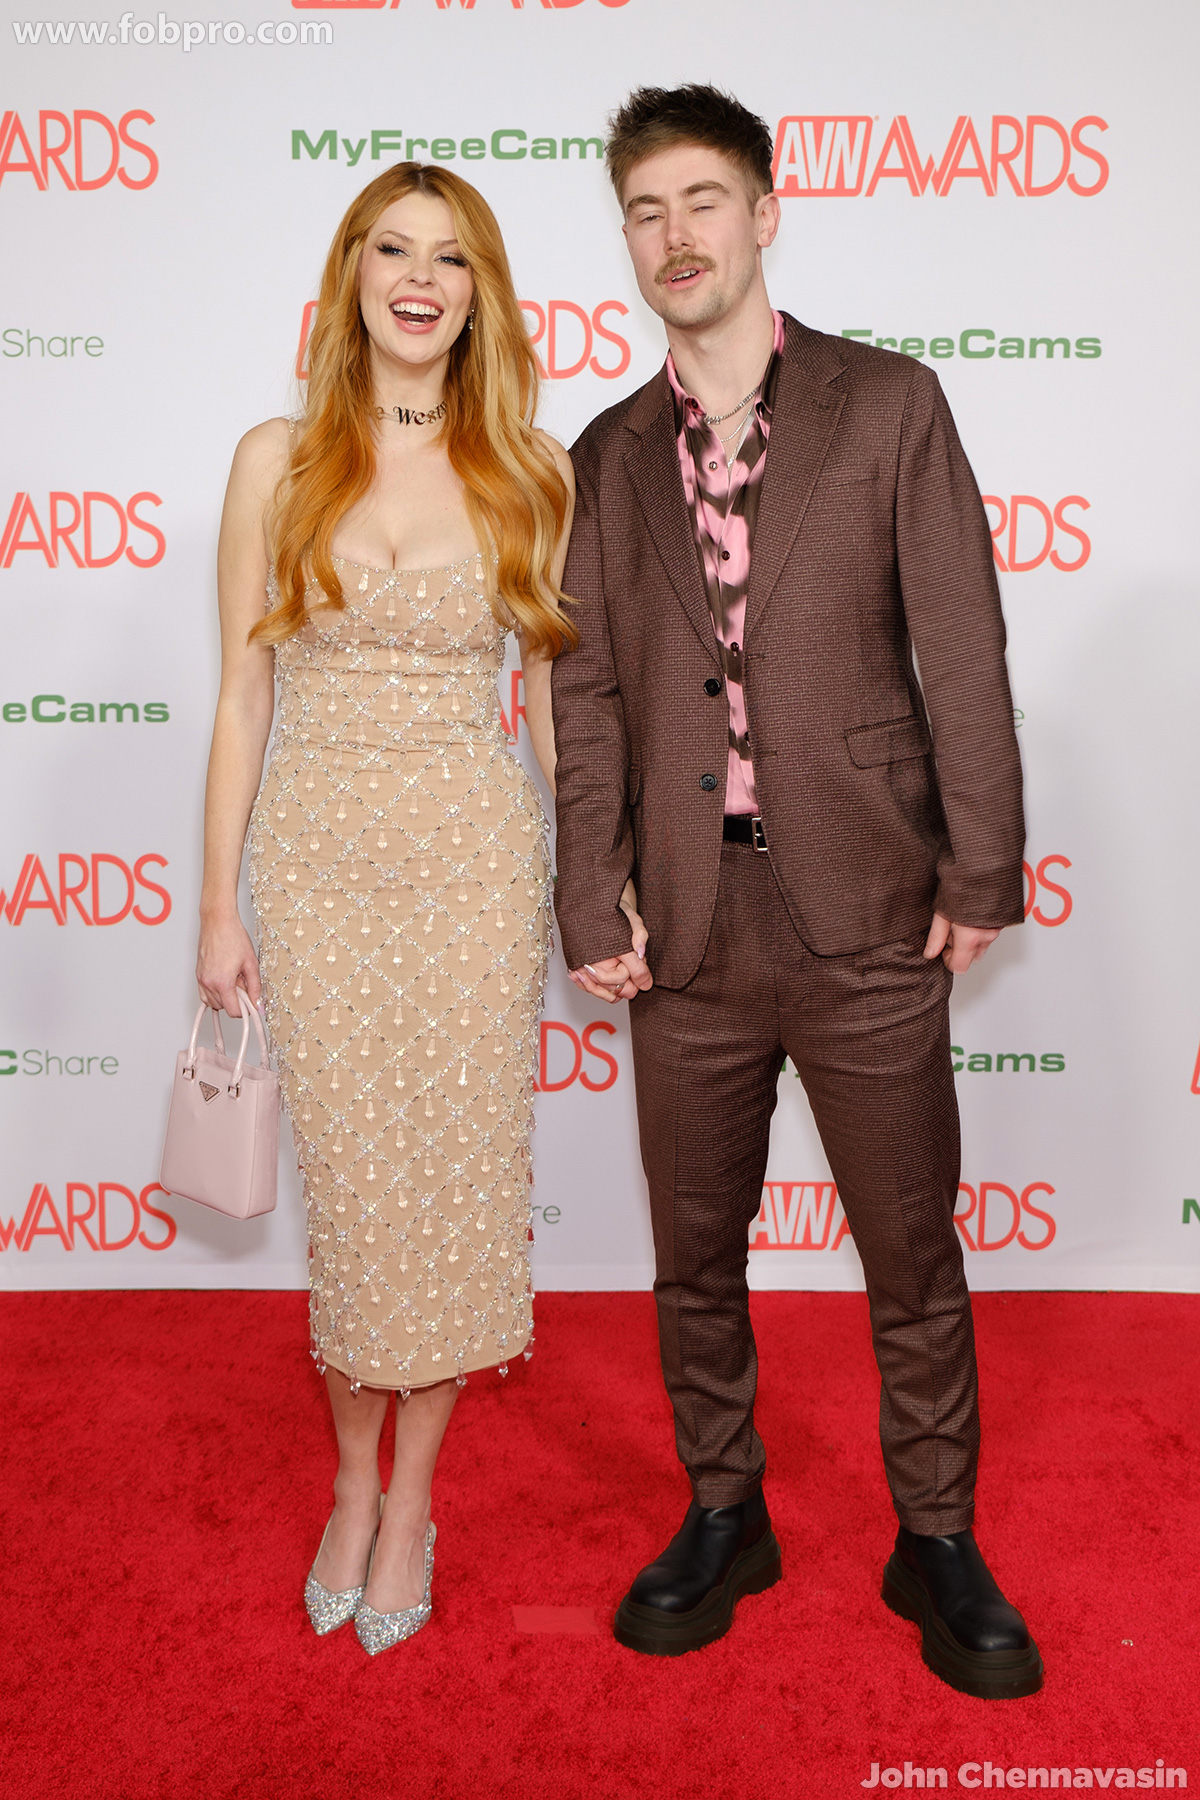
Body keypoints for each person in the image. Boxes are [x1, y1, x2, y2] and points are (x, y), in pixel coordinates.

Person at [551, 85, 1042, 1698]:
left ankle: (938, 1535)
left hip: (871, 913)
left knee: (912, 1256)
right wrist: (588, 894)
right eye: (646, 211)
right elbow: (590, 693)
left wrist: (982, 863)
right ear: (627, 239)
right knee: (694, 1256)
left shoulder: (890, 405)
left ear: (765, 214)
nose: (675, 235)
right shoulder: (606, 456)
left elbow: (959, 644)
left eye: (703, 200)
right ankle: (725, 1509)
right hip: (688, 930)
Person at [195, 163, 625, 1656]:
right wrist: (216, 909)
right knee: (359, 1201)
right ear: (354, 276)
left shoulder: (533, 468)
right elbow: (242, 697)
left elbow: (556, 713)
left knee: (452, 1197)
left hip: (471, 870)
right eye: (394, 249)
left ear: (479, 293)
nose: (420, 278)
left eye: (450, 256)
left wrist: (599, 881)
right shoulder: (274, 461)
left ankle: (411, 1504)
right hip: (317, 866)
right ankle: (348, 1483)